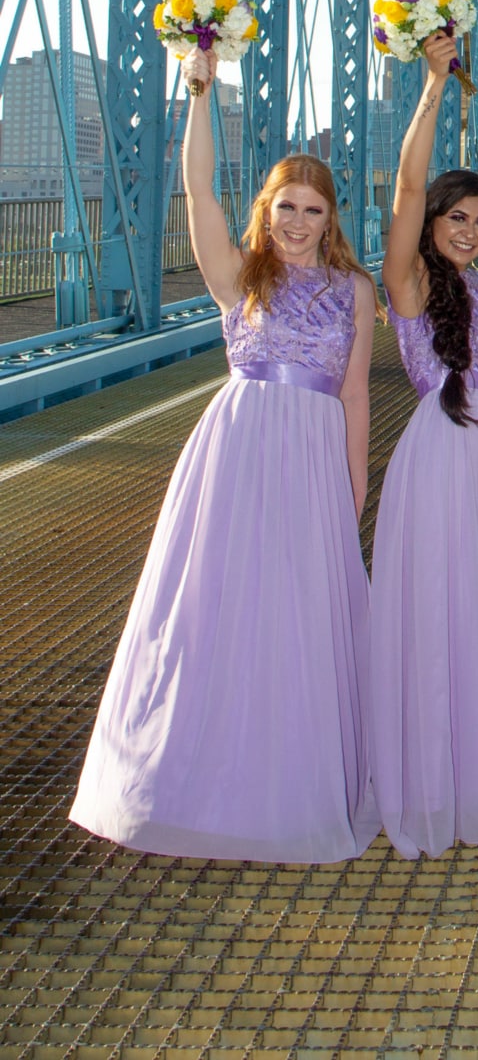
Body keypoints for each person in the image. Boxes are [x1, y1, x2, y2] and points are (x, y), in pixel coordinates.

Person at [71, 44, 377, 862]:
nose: (298, 222)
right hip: (237, 450)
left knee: (300, 611)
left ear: (331, 217)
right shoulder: (239, 276)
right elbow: (198, 188)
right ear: (267, 210)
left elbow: (353, 397)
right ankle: (193, 778)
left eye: (313, 210)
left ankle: (288, 785)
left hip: (314, 453)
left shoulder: (355, 291)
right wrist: (198, 89)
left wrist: (352, 496)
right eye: (286, 206)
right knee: (215, 602)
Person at [370, 30, 478, 856]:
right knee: (442, 615)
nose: (469, 231)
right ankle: (434, 785)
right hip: (440, 458)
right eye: (457, 218)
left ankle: (475, 776)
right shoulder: (413, 279)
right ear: (434, 222)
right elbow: (404, 186)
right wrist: (432, 85)